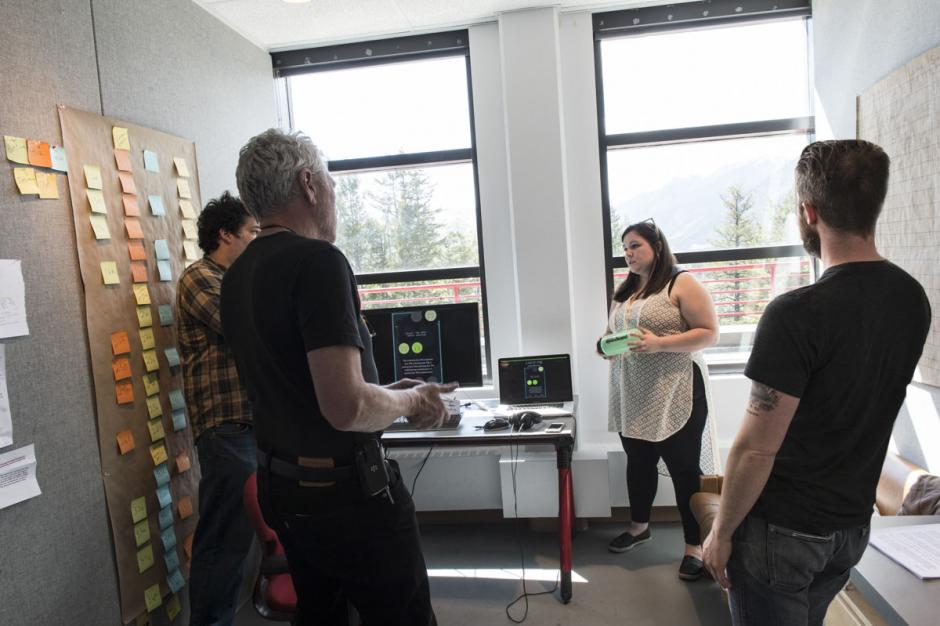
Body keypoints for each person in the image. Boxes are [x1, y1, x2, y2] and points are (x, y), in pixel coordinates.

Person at [222, 128, 454, 626]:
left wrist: (400, 391)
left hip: (283, 488)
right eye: (328, 182)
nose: (332, 194)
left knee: (322, 613)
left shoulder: (238, 275)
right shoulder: (318, 262)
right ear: (308, 184)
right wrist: (413, 404)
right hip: (346, 497)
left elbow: (297, 387)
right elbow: (345, 408)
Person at [702, 140, 931, 625]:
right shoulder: (912, 300)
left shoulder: (796, 314)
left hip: (781, 533)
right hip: (850, 527)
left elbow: (755, 450)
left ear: (809, 212)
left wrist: (720, 532)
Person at [601, 219, 720, 581]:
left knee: (685, 471)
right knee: (638, 463)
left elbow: (709, 333)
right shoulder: (627, 290)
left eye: (635, 245)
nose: (629, 254)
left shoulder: (681, 282)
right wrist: (605, 344)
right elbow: (613, 332)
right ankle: (639, 527)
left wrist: (659, 344)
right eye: (624, 248)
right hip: (633, 390)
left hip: (676, 390)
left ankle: (695, 546)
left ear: (657, 245)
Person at [176, 191, 261, 626]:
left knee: (239, 537)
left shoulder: (237, 280)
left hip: (251, 428)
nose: (257, 239)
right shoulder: (200, 277)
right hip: (226, 429)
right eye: (252, 232)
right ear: (225, 235)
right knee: (223, 540)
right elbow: (243, 327)